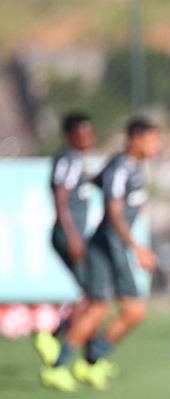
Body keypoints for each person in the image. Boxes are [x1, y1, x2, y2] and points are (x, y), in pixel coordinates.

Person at [40, 117, 161, 392]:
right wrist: (138, 247)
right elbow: (114, 215)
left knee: (122, 309)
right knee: (112, 308)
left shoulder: (128, 167)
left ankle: (91, 358)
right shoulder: (121, 169)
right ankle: (63, 364)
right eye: (153, 140)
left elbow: (100, 184)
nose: (157, 146)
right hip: (107, 247)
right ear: (136, 140)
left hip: (113, 246)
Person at [34, 112, 96, 367]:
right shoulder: (68, 160)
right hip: (69, 236)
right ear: (71, 135)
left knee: (93, 294)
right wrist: (73, 237)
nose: (89, 138)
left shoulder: (75, 161)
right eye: (84, 133)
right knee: (95, 295)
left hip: (72, 236)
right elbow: (61, 199)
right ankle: (53, 337)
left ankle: (90, 354)